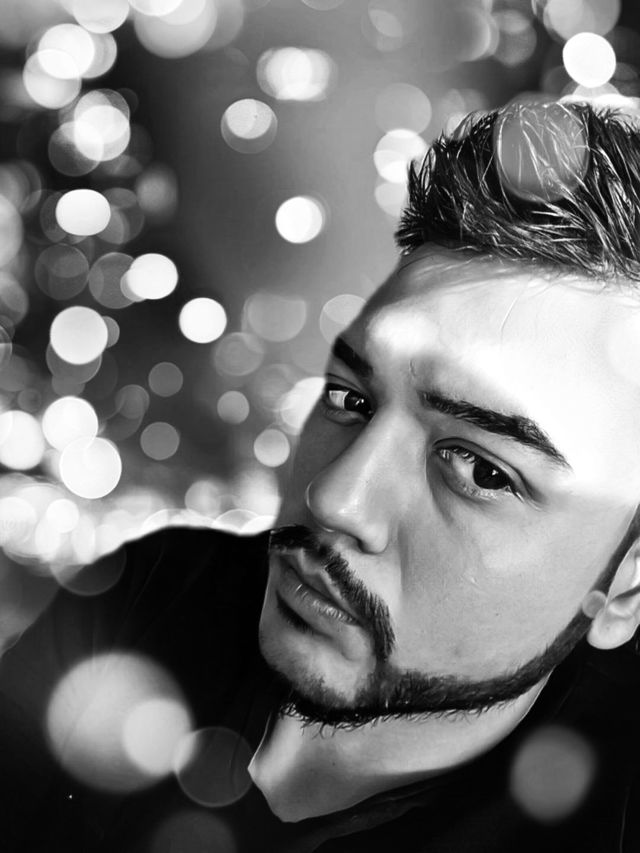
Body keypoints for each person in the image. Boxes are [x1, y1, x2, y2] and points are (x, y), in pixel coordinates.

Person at [3, 99, 640, 852]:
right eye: (351, 398)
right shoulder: (151, 593)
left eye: (481, 469)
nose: (335, 498)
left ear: (627, 585)